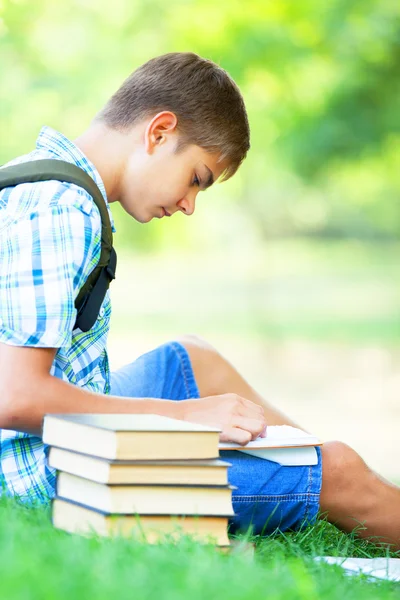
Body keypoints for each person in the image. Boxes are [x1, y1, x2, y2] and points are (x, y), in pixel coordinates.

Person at [0, 52, 399, 549]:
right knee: (338, 468)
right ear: (159, 131)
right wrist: (184, 418)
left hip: (63, 429)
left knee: (191, 360)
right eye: (196, 178)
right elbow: (15, 398)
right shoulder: (62, 212)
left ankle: (302, 464)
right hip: (55, 472)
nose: (190, 205)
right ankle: (335, 482)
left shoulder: (40, 178)